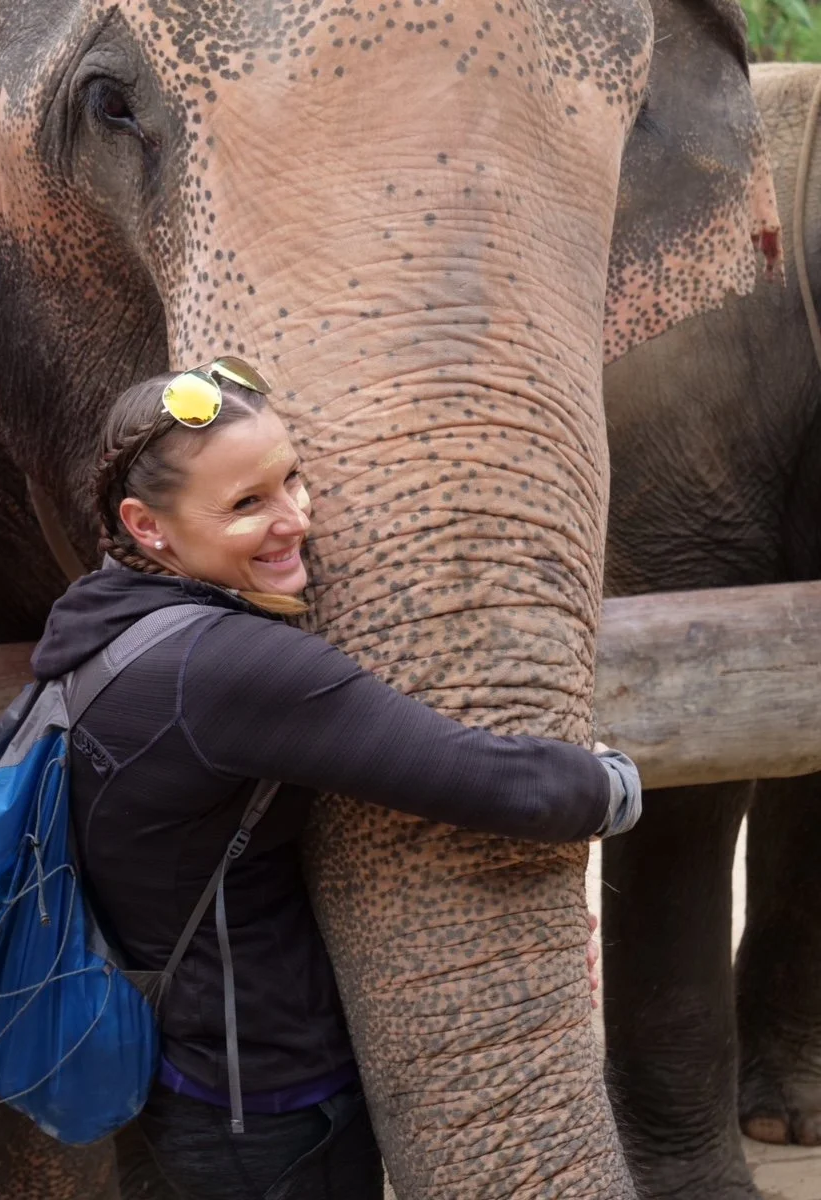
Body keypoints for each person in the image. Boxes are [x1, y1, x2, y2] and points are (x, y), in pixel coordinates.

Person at [32, 359, 640, 1200]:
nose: (294, 521)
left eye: (293, 480)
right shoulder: (233, 666)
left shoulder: (97, 613)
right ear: (147, 525)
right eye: (247, 505)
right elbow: (489, 781)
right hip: (269, 1109)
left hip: (170, 1078)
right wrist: (614, 784)